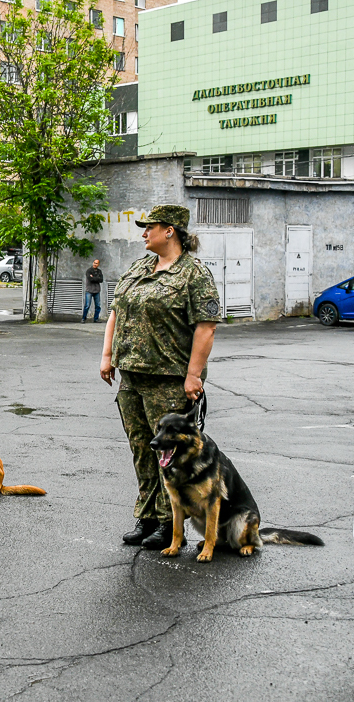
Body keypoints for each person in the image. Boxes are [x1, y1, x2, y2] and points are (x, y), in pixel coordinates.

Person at [100, 205, 221, 550]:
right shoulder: (140, 267)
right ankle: (149, 515)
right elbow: (116, 311)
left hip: (168, 379)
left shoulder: (194, 274)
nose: (143, 234)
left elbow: (206, 327)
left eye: (148, 228)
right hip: (132, 376)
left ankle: (171, 525)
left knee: (171, 456)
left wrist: (193, 375)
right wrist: (107, 355)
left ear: (169, 231)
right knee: (142, 450)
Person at [83, 259, 104, 323]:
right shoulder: (89, 271)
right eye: (94, 263)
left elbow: (101, 280)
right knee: (87, 305)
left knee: (98, 306)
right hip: (89, 290)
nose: (95, 264)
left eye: (96, 263)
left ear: (98, 264)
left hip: (97, 291)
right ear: (93, 263)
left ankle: (96, 319)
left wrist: (94, 277)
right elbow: (90, 279)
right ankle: (83, 318)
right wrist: (96, 278)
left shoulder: (99, 271)